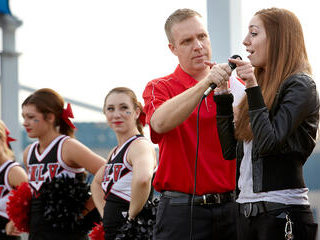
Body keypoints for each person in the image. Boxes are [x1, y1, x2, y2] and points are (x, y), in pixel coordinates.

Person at [214, 7, 319, 240]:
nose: (245, 41)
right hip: (244, 213)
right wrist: (223, 98)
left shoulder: (300, 86)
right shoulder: (259, 90)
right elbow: (230, 151)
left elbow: (269, 142)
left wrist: (251, 87)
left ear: (278, 39)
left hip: (281, 214)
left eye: (253, 33)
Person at [142, 8, 238, 240]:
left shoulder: (238, 83)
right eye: (187, 41)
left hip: (233, 208)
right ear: (172, 49)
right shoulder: (159, 87)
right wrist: (207, 82)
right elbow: (160, 122)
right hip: (181, 211)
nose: (198, 45)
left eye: (202, 36)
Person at [21, 88, 106, 240]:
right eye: (23, 117)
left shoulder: (67, 147)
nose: (25, 123)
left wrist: (83, 210)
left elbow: (110, 174)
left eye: (31, 117)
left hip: (68, 234)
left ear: (50, 117)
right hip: (37, 233)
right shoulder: (29, 152)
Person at [91, 87, 157, 240]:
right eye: (110, 109)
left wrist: (131, 218)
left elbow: (143, 179)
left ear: (136, 112)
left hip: (132, 235)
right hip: (113, 232)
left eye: (124, 108)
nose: (116, 114)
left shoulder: (140, 145)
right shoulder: (115, 151)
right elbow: (96, 183)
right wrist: (105, 215)